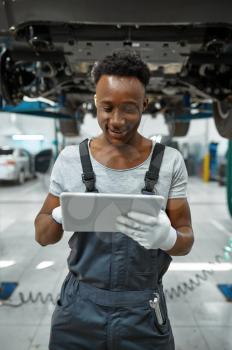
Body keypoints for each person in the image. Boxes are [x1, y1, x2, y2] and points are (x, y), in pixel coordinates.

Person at [34, 51, 194, 350]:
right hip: (78, 311)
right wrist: (57, 216)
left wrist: (168, 237)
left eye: (129, 109)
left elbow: (186, 240)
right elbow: (42, 235)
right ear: (95, 102)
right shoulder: (71, 160)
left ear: (144, 105)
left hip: (143, 313)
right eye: (107, 108)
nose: (116, 120)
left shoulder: (169, 162)